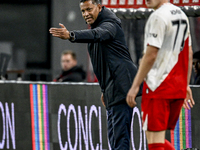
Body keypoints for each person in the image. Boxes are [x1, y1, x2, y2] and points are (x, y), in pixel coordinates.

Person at [49, 0, 142, 149]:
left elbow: (98, 34)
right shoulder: (97, 25)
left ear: (99, 7)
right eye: (83, 11)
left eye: (89, 9)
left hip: (121, 87)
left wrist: (71, 35)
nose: (86, 14)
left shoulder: (110, 23)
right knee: (114, 139)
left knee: (120, 140)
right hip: (112, 89)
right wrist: (105, 90)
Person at [126, 1, 195, 150]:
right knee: (156, 139)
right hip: (177, 87)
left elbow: (151, 55)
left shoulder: (158, 16)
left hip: (158, 87)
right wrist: (186, 83)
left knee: (154, 142)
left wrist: (135, 85)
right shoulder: (182, 15)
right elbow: (188, 52)